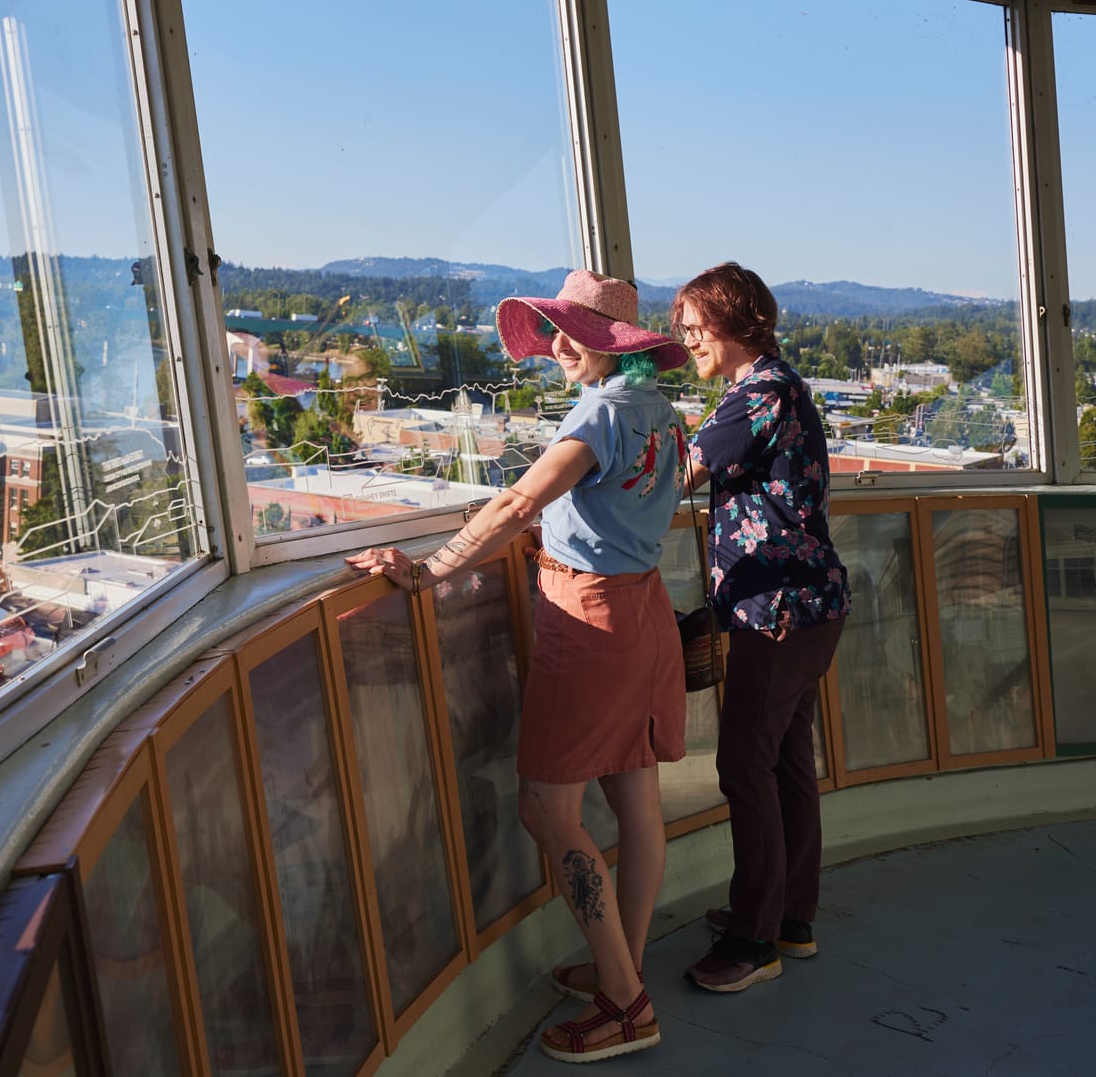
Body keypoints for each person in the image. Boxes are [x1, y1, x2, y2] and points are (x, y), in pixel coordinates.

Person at [346, 269, 689, 1064]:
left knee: (546, 809)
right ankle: (622, 970)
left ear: (615, 346)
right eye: (559, 333)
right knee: (636, 799)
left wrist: (426, 572)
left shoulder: (600, 415)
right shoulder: (661, 413)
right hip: (644, 611)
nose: (562, 347)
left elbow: (514, 505)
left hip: (589, 624)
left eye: (580, 335)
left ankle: (626, 1002)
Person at [671, 262, 849, 994]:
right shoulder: (783, 386)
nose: (687, 345)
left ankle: (753, 941)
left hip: (776, 613)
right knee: (784, 764)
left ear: (729, 320)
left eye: (693, 329)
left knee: (744, 764)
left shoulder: (758, 394)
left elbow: (679, 472)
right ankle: (789, 918)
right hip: (808, 609)